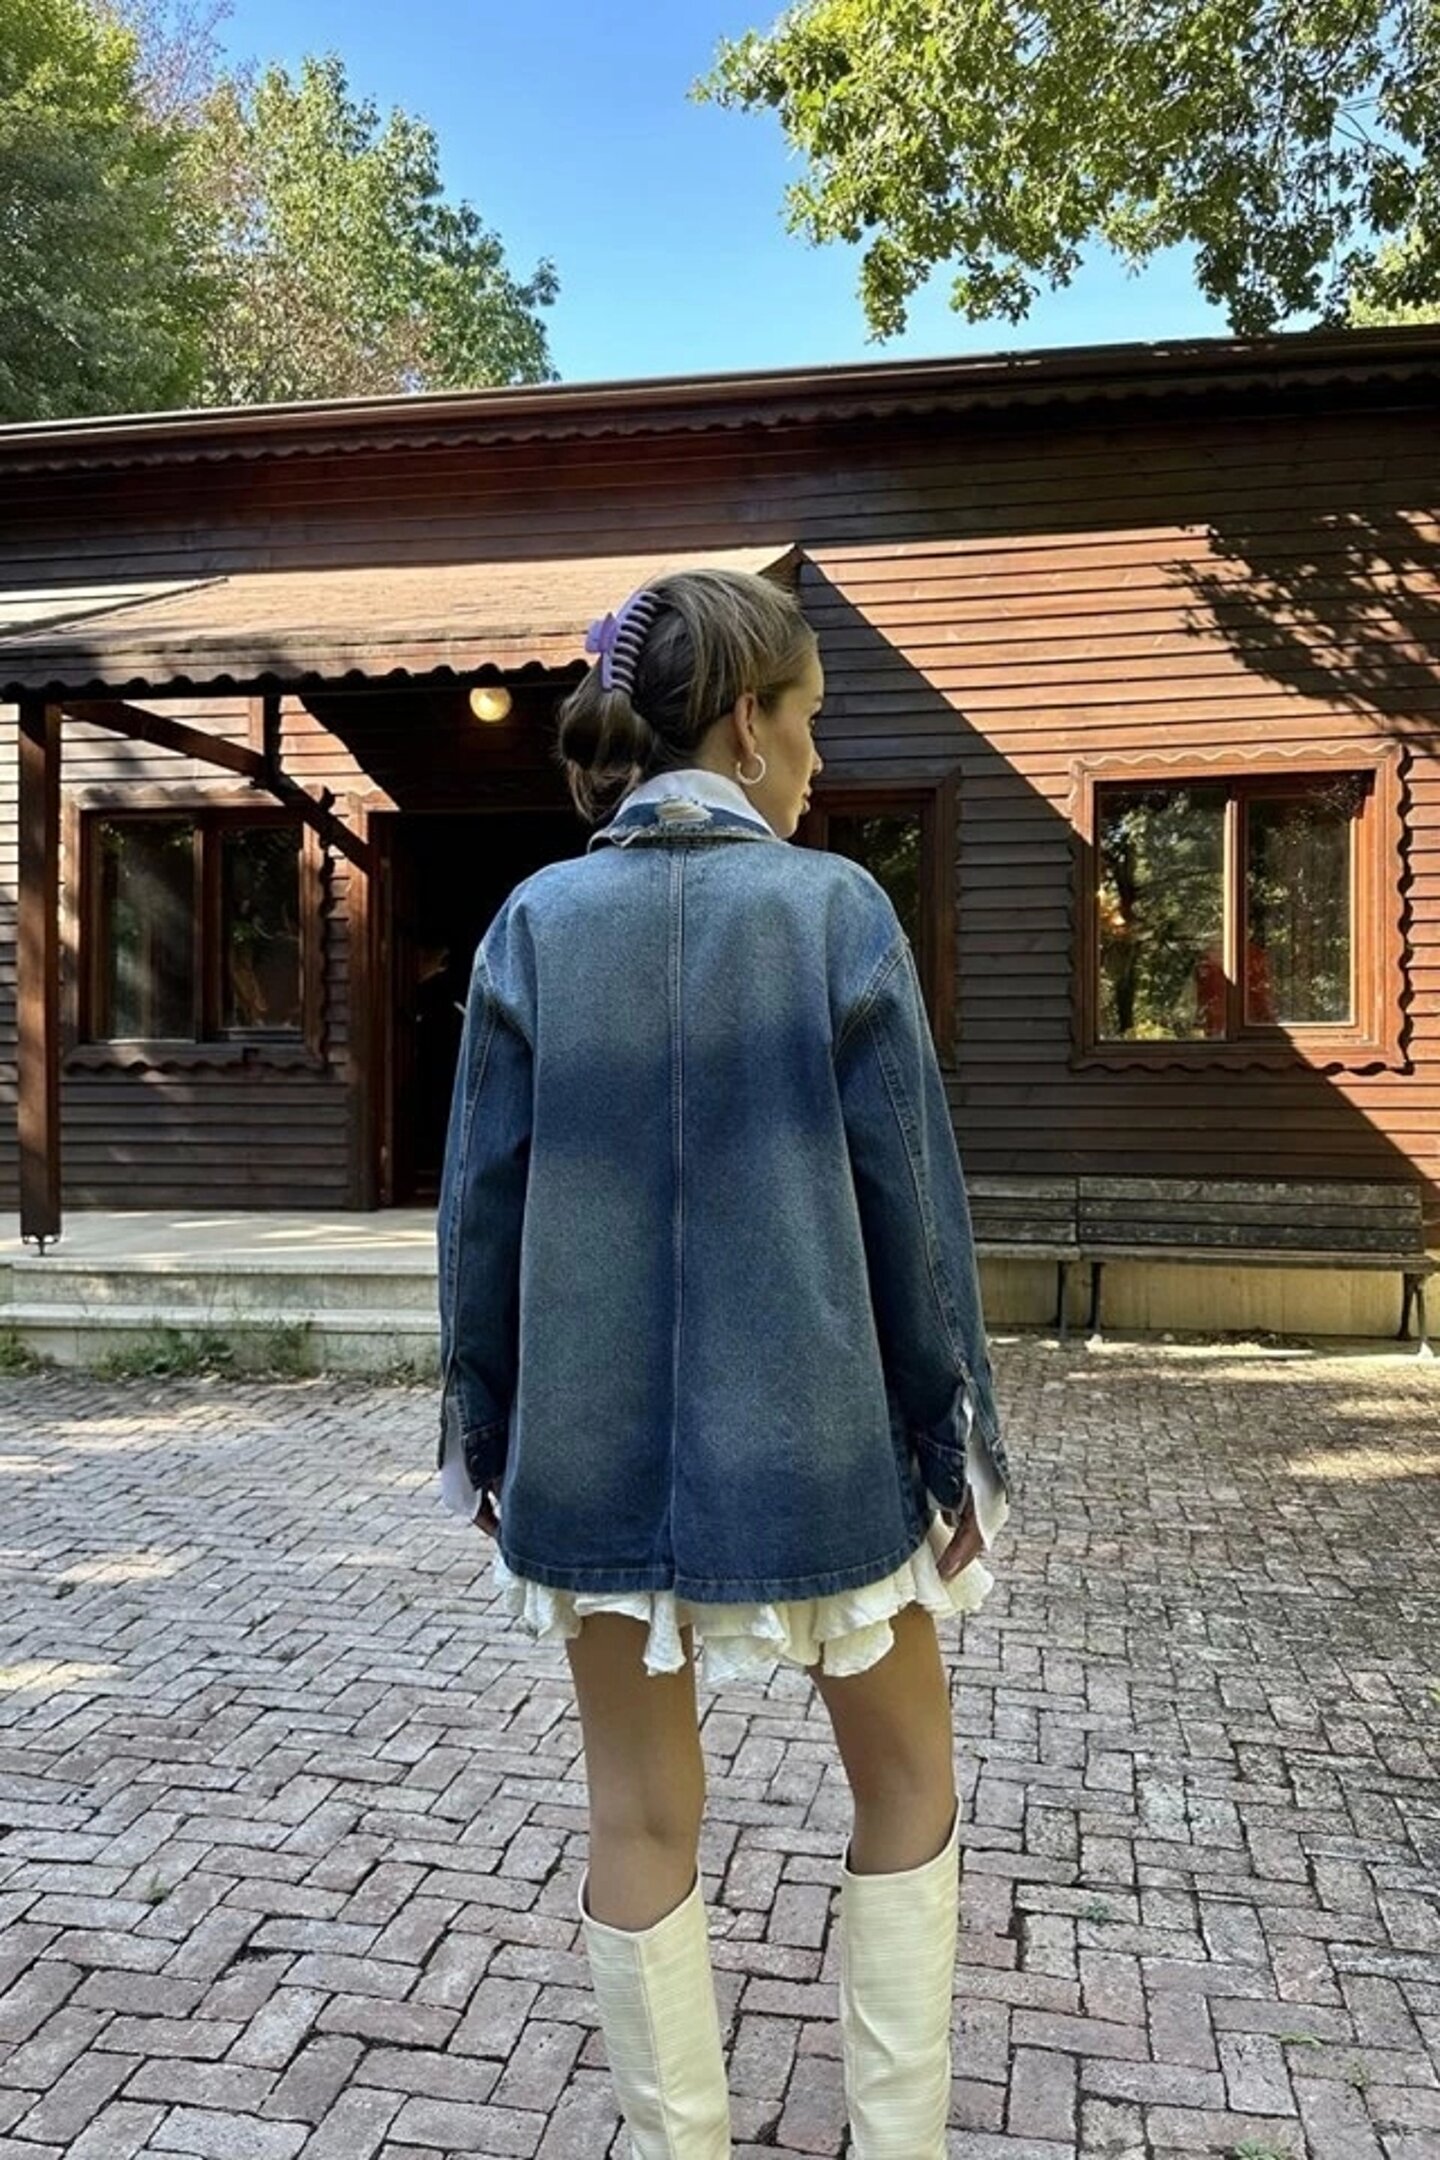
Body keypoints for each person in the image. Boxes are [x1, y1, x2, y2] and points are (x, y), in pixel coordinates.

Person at [435, 566, 1014, 2158]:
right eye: (812, 721)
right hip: (819, 1447)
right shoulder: (835, 911)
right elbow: (914, 1213)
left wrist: (488, 1433)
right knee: (908, 1786)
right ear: (749, 725)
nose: (819, 759)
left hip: (593, 1449)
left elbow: (478, 1211)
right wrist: (953, 1440)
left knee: (634, 1816)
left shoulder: (534, 923)